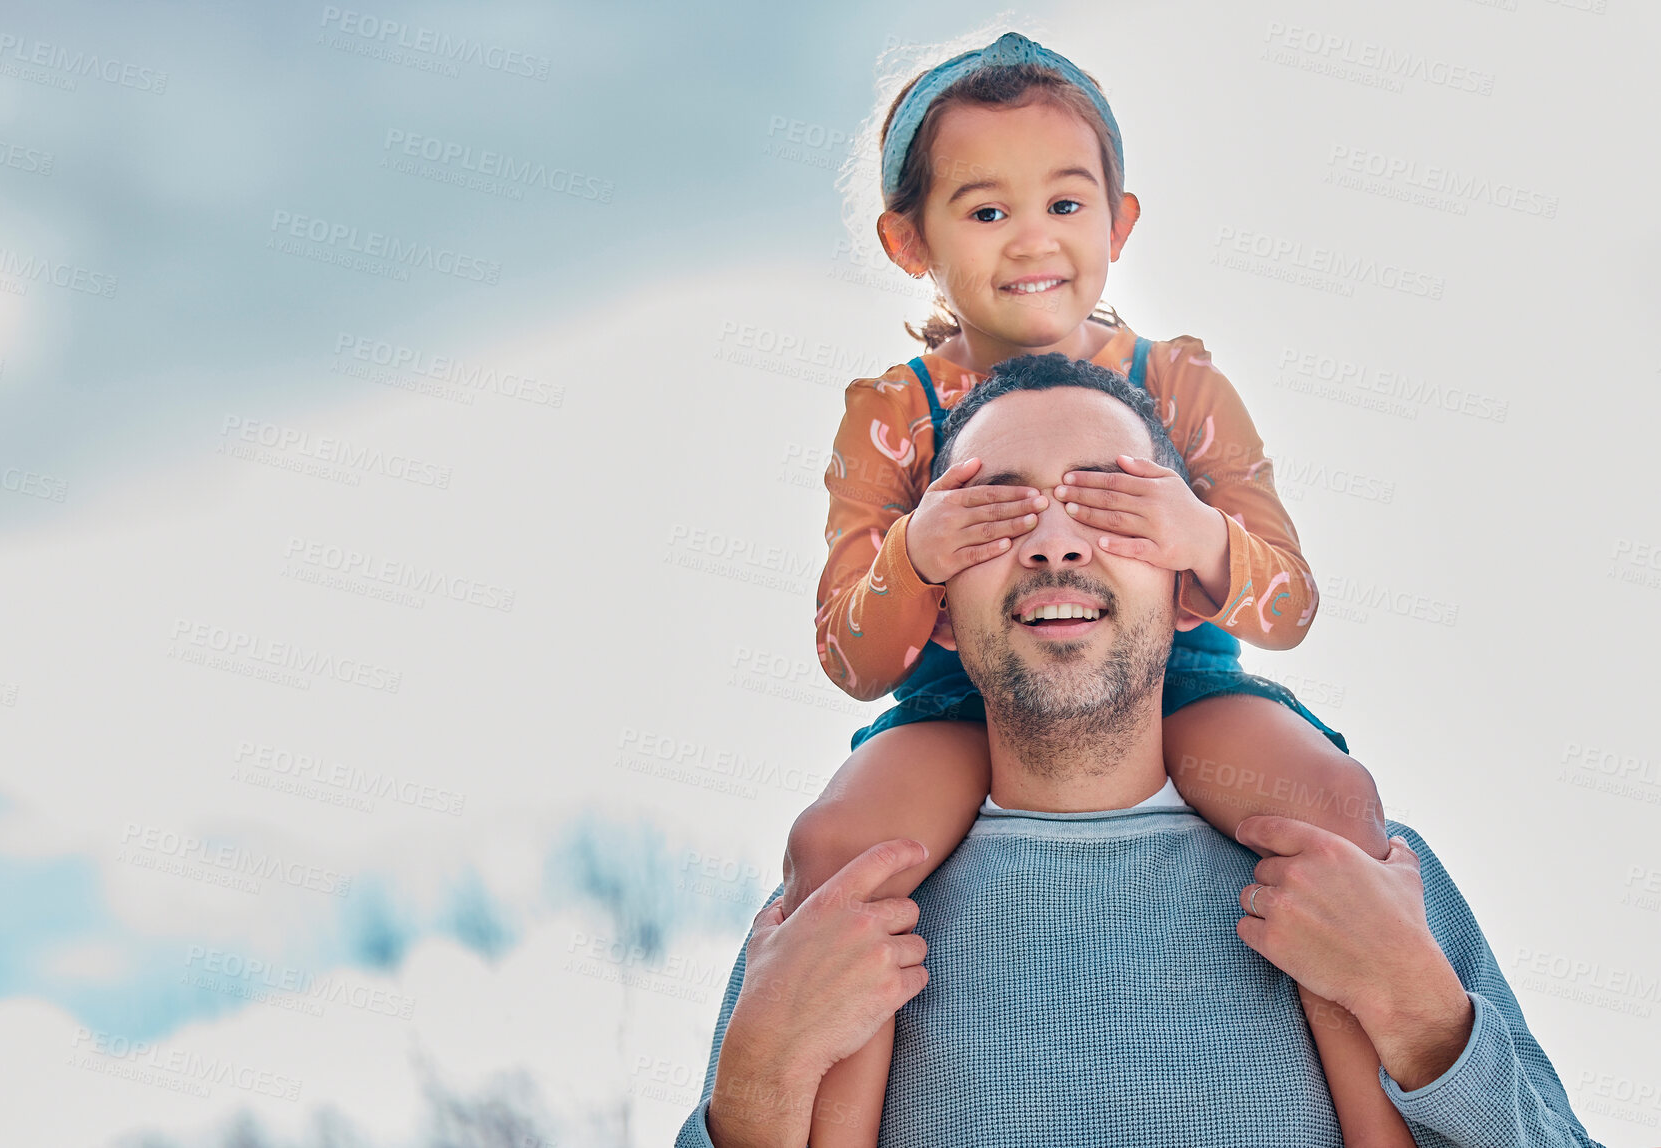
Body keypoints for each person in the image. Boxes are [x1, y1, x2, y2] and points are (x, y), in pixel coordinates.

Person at [678, 355, 1603, 1148]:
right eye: (994, 512)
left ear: (1189, 586)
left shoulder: (1361, 878)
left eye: (1108, 502)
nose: (1053, 546)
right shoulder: (835, 916)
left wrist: (1426, 1019)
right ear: (941, 613)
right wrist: (756, 1087)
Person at [789, 30, 1402, 1145]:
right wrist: (916, 553)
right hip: (956, 707)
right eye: (983, 211)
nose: (1032, 240)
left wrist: (1198, 534)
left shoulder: (1175, 380)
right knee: (840, 851)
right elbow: (847, 658)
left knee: (1333, 807)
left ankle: (1380, 1126)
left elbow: (1288, 606)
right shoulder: (889, 412)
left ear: (1118, 222)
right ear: (905, 238)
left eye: (1065, 205)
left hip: (1175, 682)